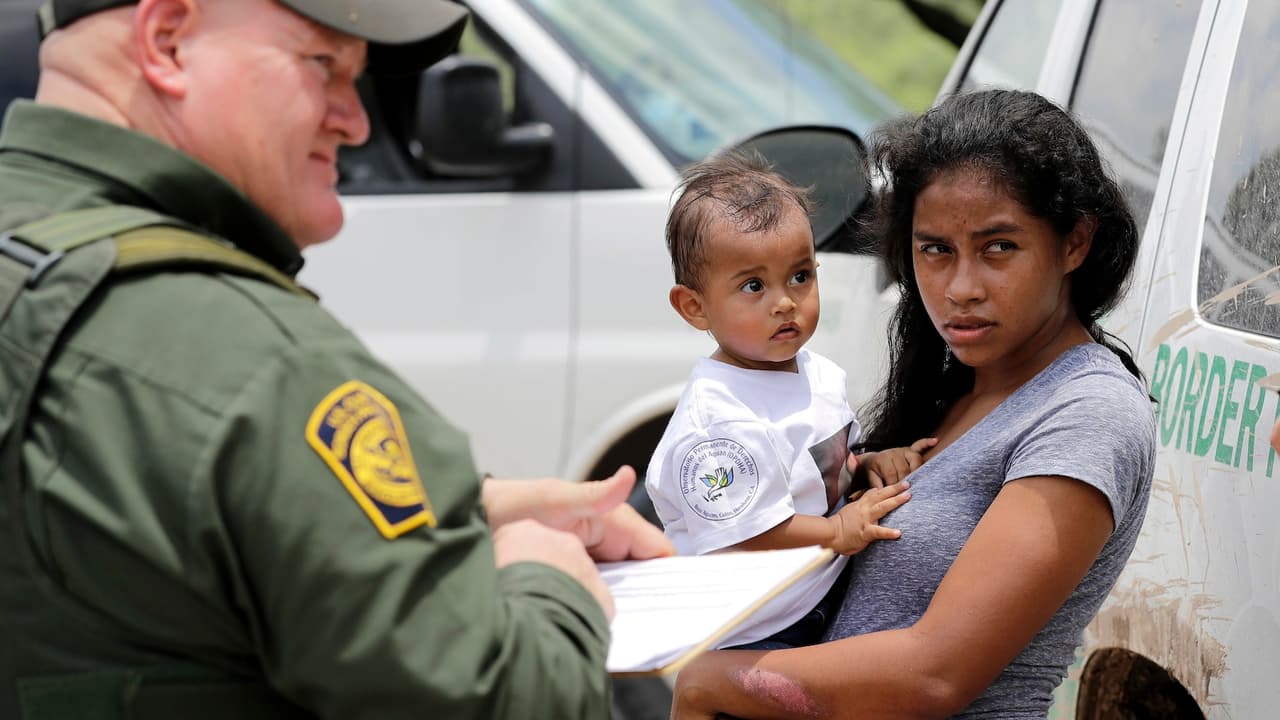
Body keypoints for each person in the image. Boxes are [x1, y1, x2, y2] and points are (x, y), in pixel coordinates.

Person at [0, 1, 672, 718]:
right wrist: (547, 575)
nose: (354, 121)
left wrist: (450, 511)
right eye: (322, 65)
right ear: (166, 40)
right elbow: (501, 700)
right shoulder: (259, 363)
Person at [671, 89, 1157, 718]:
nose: (960, 288)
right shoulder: (956, 387)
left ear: (1074, 243)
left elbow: (934, 674)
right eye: (936, 250)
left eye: (999, 248)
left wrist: (710, 681)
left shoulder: (1087, 412)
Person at [645, 151, 926, 650]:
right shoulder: (717, 423)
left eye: (800, 276)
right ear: (694, 306)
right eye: (753, 285)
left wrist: (868, 465)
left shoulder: (816, 373)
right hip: (751, 629)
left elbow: (821, 467)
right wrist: (837, 531)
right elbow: (746, 534)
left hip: (811, 596)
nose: (785, 301)